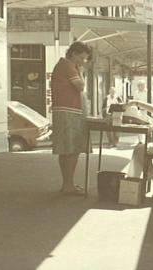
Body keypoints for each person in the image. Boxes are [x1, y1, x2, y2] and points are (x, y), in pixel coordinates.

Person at [51, 41, 91, 195]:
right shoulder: (68, 66)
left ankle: (68, 184)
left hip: (67, 110)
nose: (83, 62)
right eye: (82, 58)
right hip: (68, 111)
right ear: (73, 54)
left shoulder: (65, 66)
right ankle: (68, 185)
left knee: (67, 149)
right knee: (72, 148)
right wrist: (80, 70)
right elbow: (81, 86)